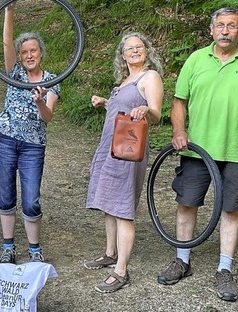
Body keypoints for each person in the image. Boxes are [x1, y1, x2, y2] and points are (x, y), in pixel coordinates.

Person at [156, 7, 238, 302]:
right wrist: (178, 131)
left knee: (231, 208)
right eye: (219, 25)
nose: (224, 30)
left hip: (237, 151)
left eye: (231, 26)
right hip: (197, 150)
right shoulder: (196, 59)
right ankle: (182, 260)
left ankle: (225, 269)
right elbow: (179, 101)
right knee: (186, 202)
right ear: (210, 30)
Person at [83, 32, 163, 293]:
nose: (135, 51)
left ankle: (121, 271)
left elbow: (156, 114)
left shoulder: (149, 77)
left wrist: (146, 111)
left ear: (146, 51)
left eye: (139, 47)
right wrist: (106, 102)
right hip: (110, 147)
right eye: (130, 48)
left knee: (122, 209)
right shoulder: (125, 79)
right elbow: (122, 112)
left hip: (128, 152)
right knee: (108, 203)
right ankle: (110, 253)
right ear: (123, 55)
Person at [0, 4, 60, 265]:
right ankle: (8, 247)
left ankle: (34, 249)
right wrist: (8, 10)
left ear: (41, 53)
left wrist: (40, 101)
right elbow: (7, 42)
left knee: (31, 200)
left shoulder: (52, 79)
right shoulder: (15, 72)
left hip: (33, 145)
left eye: (33, 51)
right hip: (4, 139)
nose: (29, 55)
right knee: (6, 195)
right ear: (20, 57)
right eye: (24, 52)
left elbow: (48, 117)